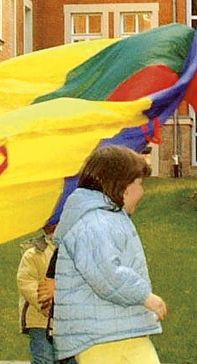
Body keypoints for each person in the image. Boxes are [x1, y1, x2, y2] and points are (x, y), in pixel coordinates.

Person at [53, 145, 167, 363]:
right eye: (139, 184)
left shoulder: (107, 219)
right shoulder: (93, 222)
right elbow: (106, 274)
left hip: (118, 331)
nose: (142, 192)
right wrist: (145, 296)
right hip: (102, 338)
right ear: (122, 186)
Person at [18, 225, 64, 364]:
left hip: (67, 321)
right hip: (40, 320)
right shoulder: (34, 254)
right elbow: (26, 282)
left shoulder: (73, 251)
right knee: (45, 358)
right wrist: (44, 303)